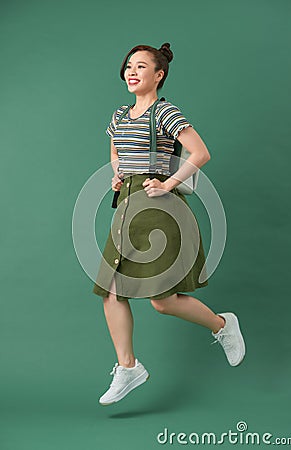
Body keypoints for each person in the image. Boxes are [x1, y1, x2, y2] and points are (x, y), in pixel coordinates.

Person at [92, 43, 246, 406]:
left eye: (141, 66)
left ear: (158, 75)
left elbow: (200, 152)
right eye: (129, 66)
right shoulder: (118, 115)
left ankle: (223, 325)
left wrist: (168, 183)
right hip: (127, 208)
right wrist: (118, 174)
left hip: (159, 211)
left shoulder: (165, 112)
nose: (131, 72)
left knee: (162, 301)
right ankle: (128, 367)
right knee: (112, 291)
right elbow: (116, 151)